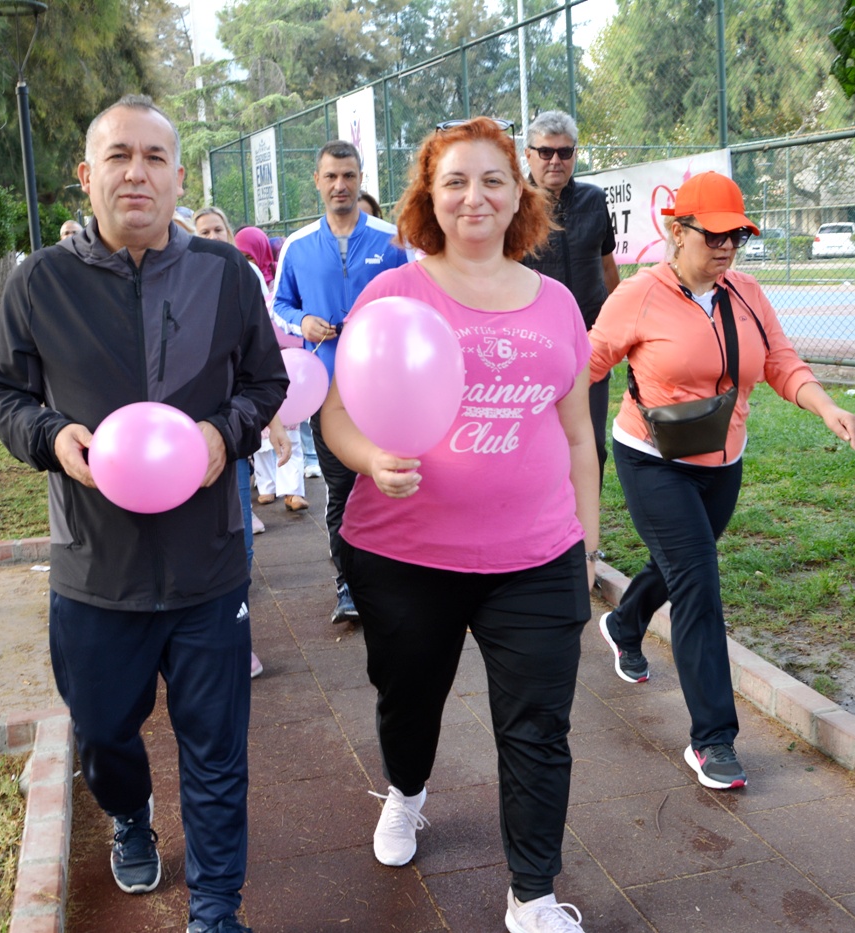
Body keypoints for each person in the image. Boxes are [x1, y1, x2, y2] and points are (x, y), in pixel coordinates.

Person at [0, 94, 286, 933]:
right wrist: (49, 435)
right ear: (88, 175)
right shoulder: (40, 282)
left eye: (155, 157)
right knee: (105, 734)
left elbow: (268, 383)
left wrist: (225, 437)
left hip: (207, 563)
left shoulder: (225, 275)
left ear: (179, 176)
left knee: (217, 752)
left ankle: (217, 910)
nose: (137, 173)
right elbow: (0, 391)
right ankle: (130, 813)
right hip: (93, 569)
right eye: (119, 156)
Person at [321, 116, 599, 933]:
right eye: (454, 182)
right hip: (406, 555)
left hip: (537, 554)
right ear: (429, 199)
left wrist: (588, 537)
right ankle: (406, 793)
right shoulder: (392, 294)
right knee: (410, 701)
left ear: (519, 194)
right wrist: (370, 458)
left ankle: (534, 893)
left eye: (491, 180)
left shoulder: (556, 302)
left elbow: (578, 431)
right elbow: (337, 416)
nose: (474, 196)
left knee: (539, 727)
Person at [589, 171, 855, 792]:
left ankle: (626, 624)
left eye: (735, 234)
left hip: (722, 460)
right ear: (675, 231)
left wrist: (825, 406)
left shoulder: (746, 294)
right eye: (713, 235)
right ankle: (713, 740)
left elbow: (779, 360)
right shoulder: (639, 295)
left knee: (687, 563)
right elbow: (590, 360)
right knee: (699, 587)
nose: (727, 246)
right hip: (653, 459)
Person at [272, 140, 410, 625]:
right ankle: (348, 586)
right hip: (326, 392)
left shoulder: (393, 240)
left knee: (391, 481)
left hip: (385, 390)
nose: (340, 186)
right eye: (331, 176)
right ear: (317, 180)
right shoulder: (298, 245)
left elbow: (417, 301)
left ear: (361, 178)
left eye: (349, 176)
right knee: (343, 487)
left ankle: (394, 582)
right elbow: (278, 306)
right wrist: (303, 321)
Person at [193, 203, 292, 677]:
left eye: (218, 229)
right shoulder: (184, 281)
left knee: (239, 544)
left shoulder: (240, 277)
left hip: (229, 436)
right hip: (175, 441)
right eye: (203, 230)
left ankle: (237, 636)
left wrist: (271, 424)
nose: (211, 235)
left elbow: (262, 366)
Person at [520, 111, 620, 485]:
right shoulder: (514, 205)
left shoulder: (594, 201)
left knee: (591, 444)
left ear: (575, 154)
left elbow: (608, 265)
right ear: (528, 155)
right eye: (545, 152)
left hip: (589, 344)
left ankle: (587, 540)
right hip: (533, 347)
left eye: (564, 152)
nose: (555, 161)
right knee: (537, 445)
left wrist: (618, 328)